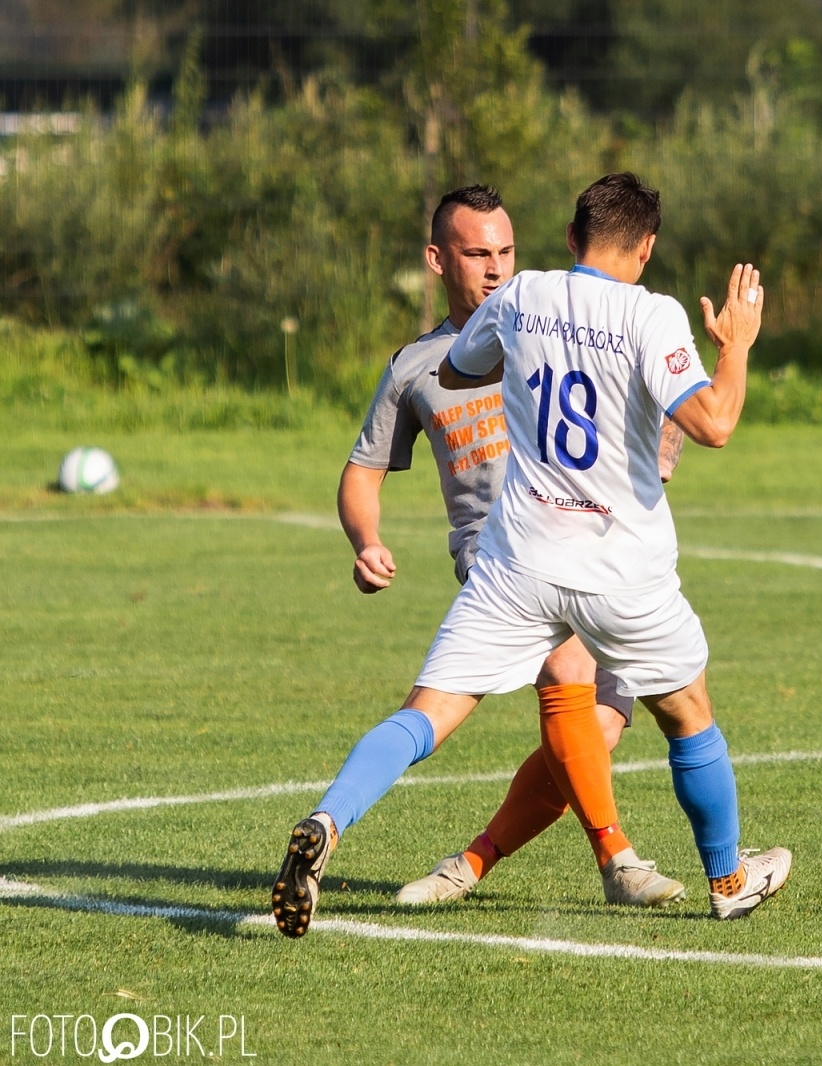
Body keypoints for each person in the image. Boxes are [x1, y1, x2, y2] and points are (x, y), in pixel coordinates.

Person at [271, 172, 788, 934]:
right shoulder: (652, 314)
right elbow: (714, 423)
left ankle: (327, 820)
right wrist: (736, 346)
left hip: (517, 565)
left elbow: (458, 368)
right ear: (646, 248)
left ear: (570, 238)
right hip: (617, 567)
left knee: (427, 713)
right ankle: (726, 879)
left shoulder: (522, 298)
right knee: (687, 714)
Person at [337, 184, 685, 908]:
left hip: (600, 551)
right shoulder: (417, 366)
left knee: (595, 732)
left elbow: (656, 391)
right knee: (567, 670)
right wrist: (366, 540)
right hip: (500, 552)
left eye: (506, 251)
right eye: (476, 253)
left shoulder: (555, 324)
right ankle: (619, 860)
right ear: (438, 260)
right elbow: (363, 470)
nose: (495, 268)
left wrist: (666, 436)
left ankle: (469, 863)